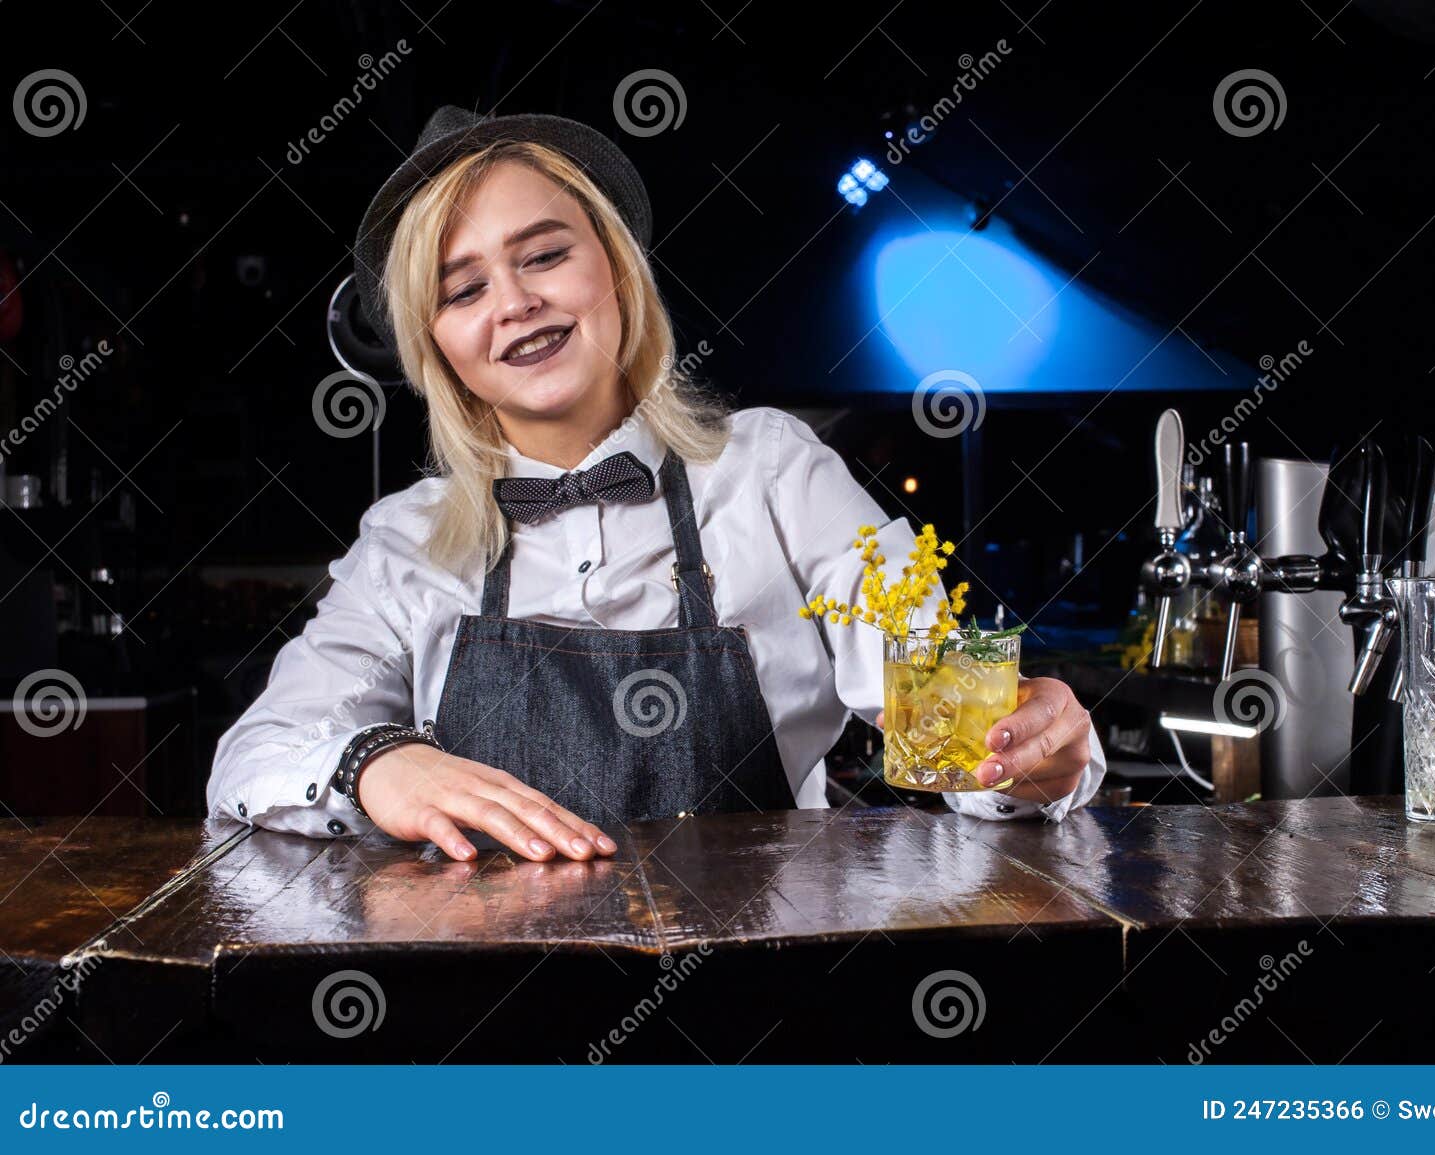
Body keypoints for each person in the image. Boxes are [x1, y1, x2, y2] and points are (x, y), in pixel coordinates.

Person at [207, 105, 1107, 864]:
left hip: (763, 1008)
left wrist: (1029, 760)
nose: (513, 301)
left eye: (545, 254)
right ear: (434, 344)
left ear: (617, 266)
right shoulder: (404, 541)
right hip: (492, 1012)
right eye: (461, 288)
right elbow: (250, 761)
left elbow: (954, 727)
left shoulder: (773, 471)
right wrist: (377, 763)